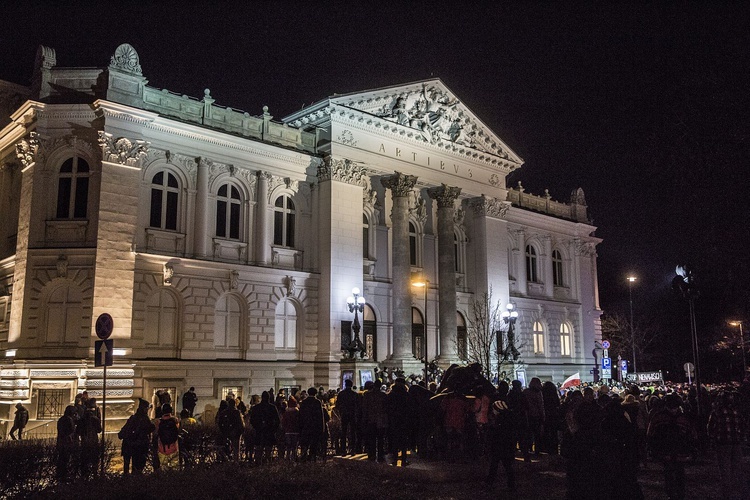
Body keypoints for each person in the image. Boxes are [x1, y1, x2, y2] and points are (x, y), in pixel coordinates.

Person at [647, 393, 696, 500]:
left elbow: (650, 434)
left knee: (672, 473)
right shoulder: (683, 417)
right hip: (675, 451)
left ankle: (673, 494)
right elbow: (692, 435)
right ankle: (677, 494)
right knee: (677, 473)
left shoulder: (659, 416)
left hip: (670, 451)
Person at [707, 389, 747, 500]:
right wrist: (741, 437)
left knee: (725, 470)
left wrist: (712, 439)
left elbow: (710, 428)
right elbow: (743, 426)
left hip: (722, 444)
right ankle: (740, 491)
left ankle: (727, 494)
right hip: (736, 442)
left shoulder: (717, 412)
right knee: (737, 468)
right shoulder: (736, 411)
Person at [485, 381, 516, 492]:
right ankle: (510, 483)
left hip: (498, 437)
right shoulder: (508, 402)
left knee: (495, 461)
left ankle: (490, 481)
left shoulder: (496, 401)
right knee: (506, 463)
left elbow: (492, 417)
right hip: (506, 437)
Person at [119, 398, 156, 475]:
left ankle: (126, 481)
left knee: (127, 467)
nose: (147, 410)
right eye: (147, 408)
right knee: (137, 468)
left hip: (129, 445)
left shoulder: (133, 418)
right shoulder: (144, 419)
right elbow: (149, 428)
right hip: (138, 447)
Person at [386, 378, 414, 465]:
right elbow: (411, 408)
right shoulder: (406, 395)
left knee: (395, 439)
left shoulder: (391, 395)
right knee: (403, 440)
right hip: (404, 420)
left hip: (394, 419)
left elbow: (387, 408)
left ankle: (395, 459)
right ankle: (403, 459)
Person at [361, 379, 388, 462]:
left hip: (370, 420)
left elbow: (365, 408)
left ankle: (372, 455)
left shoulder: (367, 395)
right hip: (380, 420)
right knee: (380, 440)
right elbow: (386, 409)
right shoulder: (383, 395)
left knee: (371, 439)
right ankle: (380, 456)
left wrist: (364, 419)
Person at [249, 391, 279, 464]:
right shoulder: (272, 407)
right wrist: (273, 429)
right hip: (269, 431)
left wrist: (256, 427)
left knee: (259, 450)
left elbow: (252, 420)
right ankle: (267, 463)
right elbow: (277, 420)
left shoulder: (256, 408)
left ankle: (259, 464)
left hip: (259, 431)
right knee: (268, 450)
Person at [77, 398, 102, 479]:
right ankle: (95, 476)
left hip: (85, 442)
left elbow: (78, 431)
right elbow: (99, 430)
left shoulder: (82, 420)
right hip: (93, 442)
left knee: (84, 461)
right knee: (94, 461)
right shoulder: (95, 419)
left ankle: (84, 477)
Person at [299, 387, 326, 461]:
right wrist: (322, 428)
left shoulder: (304, 402)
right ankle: (312, 458)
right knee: (314, 444)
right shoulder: (317, 402)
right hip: (315, 427)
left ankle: (304, 457)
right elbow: (320, 416)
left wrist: (300, 427)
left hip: (305, 426)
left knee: (305, 444)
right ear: (315, 393)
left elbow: (300, 415)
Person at [56, 405, 78, 482]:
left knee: (61, 459)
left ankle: (60, 475)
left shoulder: (61, 419)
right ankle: (64, 476)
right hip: (67, 442)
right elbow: (71, 430)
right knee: (66, 459)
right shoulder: (69, 420)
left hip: (61, 442)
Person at [336, 379, 358, 455]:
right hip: (352, 414)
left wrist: (341, 412)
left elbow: (337, 405)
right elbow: (357, 406)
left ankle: (343, 450)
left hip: (344, 414)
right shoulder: (354, 394)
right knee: (353, 433)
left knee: (343, 433)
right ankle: (353, 450)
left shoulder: (341, 394)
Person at [155, 403, 181, 469]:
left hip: (162, 448)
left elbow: (156, 433)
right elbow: (177, 431)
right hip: (174, 447)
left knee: (164, 467)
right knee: (175, 468)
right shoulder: (175, 420)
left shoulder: (158, 421)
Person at [281, 396, 300, 461]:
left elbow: (283, 422)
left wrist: (284, 429)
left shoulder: (286, 413)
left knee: (288, 446)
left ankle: (287, 457)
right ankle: (293, 457)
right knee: (294, 446)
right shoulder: (297, 413)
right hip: (296, 431)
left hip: (288, 431)